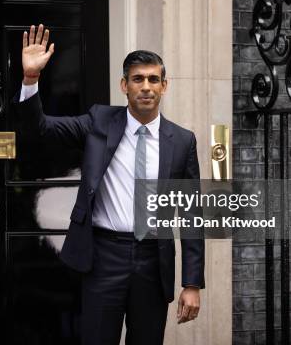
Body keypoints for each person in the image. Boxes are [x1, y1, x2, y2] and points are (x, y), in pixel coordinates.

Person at [14, 24, 204, 345]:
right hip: (104, 256)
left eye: (153, 79)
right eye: (138, 79)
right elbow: (40, 130)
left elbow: (191, 215)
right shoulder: (98, 122)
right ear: (124, 85)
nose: (146, 87)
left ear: (164, 86)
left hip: (153, 260)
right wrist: (31, 79)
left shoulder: (182, 141)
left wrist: (192, 283)